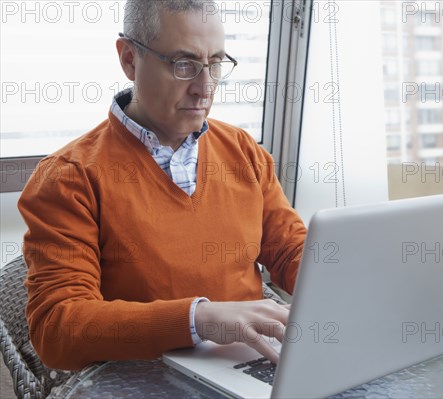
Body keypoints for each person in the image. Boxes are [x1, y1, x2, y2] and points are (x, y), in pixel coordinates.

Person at [18, 0, 306, 371]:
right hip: (141, 379)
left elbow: (291, 252)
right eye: (184, 64)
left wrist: (352, 282)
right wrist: (199, 319)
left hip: (251, 368)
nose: (205, 89)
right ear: (129, 59)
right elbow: (58, 329)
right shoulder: (67, 178)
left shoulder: (243, 151)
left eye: (215, 63)